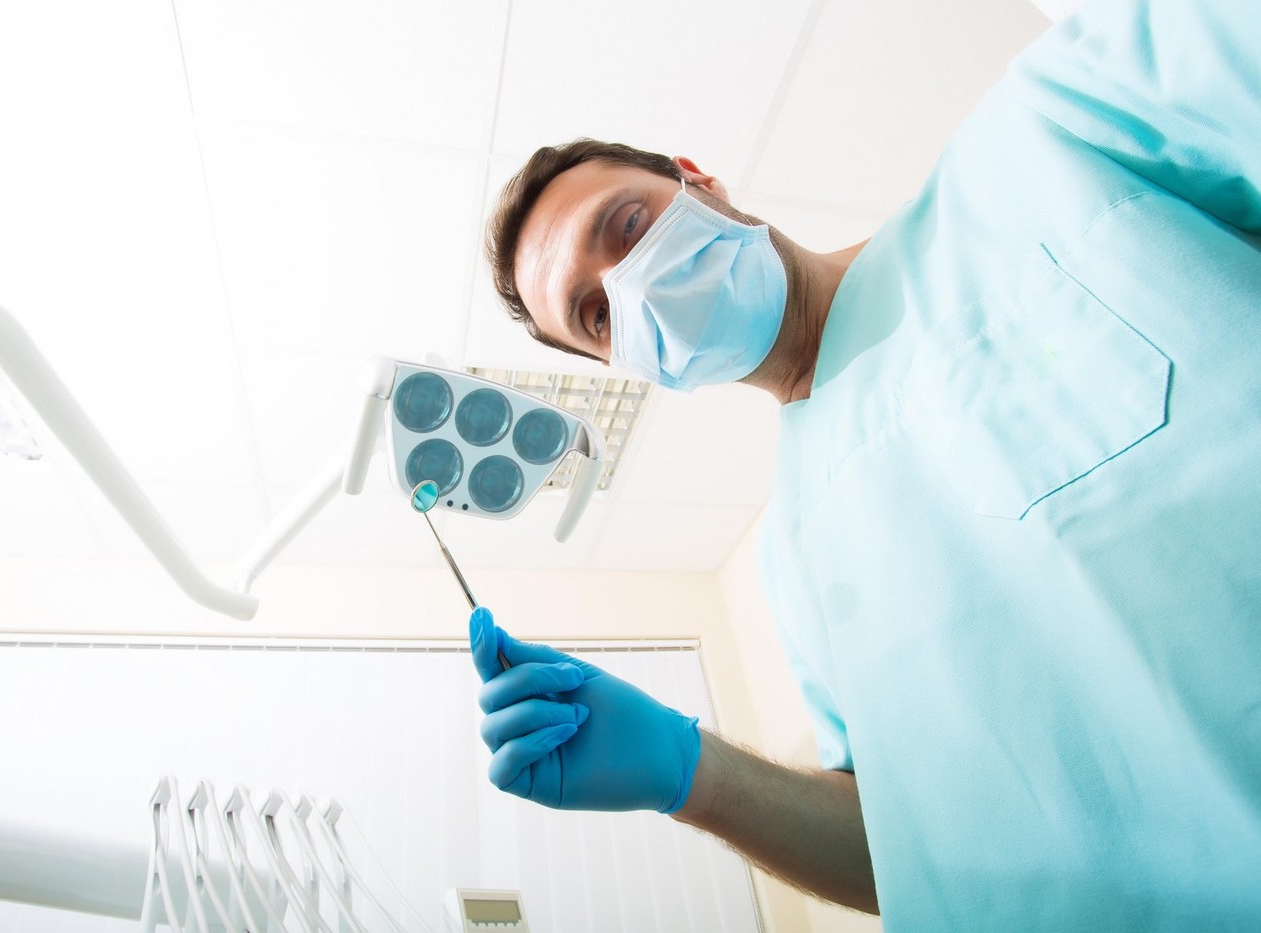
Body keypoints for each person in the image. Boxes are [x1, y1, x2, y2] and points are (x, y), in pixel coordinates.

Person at [465, 0, 1261, 929]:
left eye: (630, 222)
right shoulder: (794, 560)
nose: (634, 282)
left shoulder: (1049, 136)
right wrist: (694, 776)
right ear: (620, 364)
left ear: (700, 182)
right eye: (598, 313)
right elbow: (912, 848)